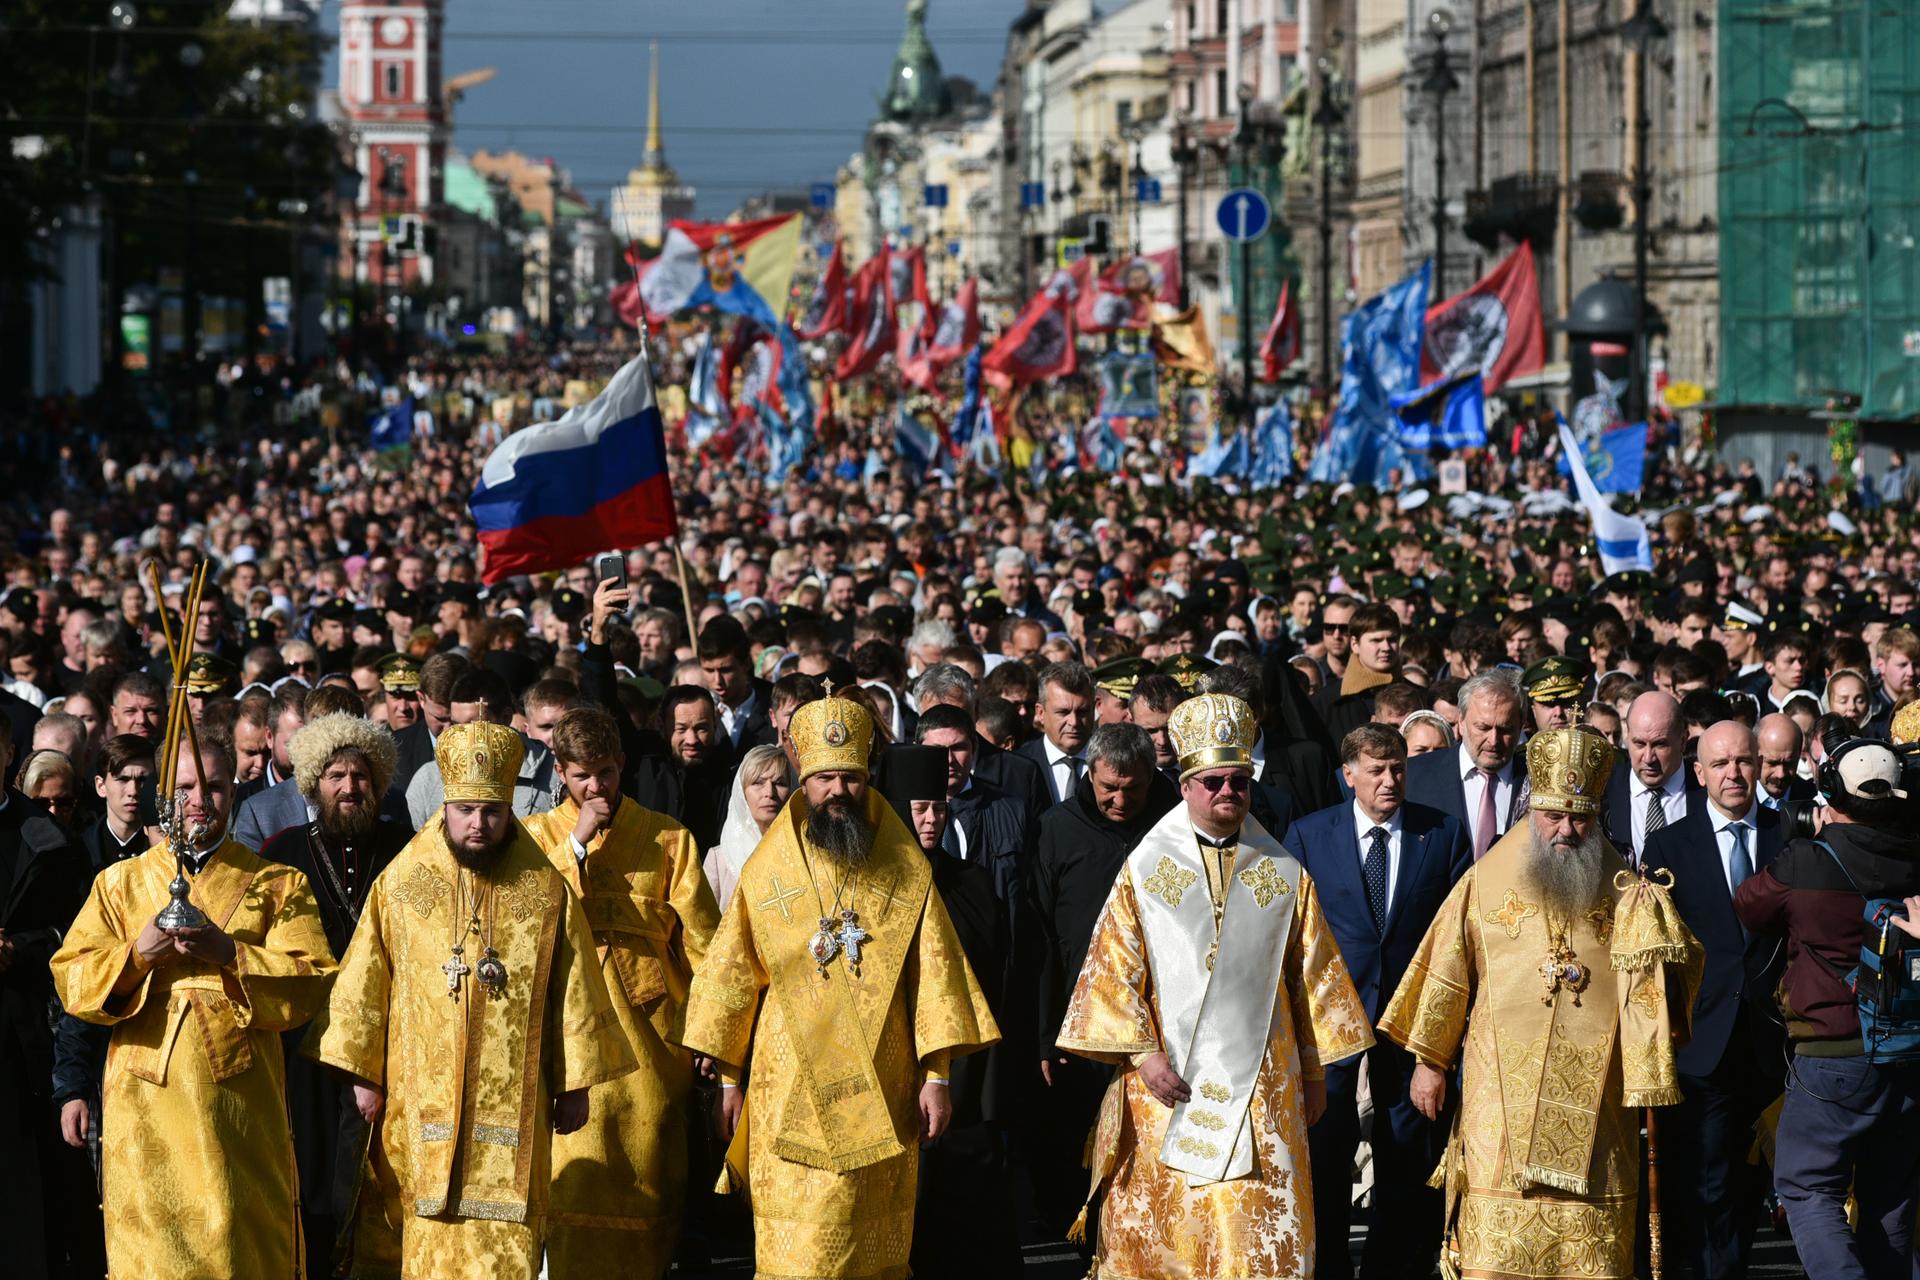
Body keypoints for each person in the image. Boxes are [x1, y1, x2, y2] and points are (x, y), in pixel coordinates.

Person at [679, 690, 998, 1280]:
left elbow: (934, 978)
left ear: (867, 775)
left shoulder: (903, 867)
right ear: (803, 774)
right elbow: (731, 976)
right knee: (794, 1255)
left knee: (868, 1244)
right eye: (823, 777)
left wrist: (936, 1077)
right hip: (786, 1082)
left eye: (849, 778)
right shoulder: (768, 868)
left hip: (886, 1080)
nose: (837, 792)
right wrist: (727, 1080)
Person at [1055, 692, 1373, 1278]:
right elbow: (1112, 969)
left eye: (1239, 781)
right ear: (1185, 785)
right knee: (1177, 1230)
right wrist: (1143, 1055)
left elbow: (1312, 982)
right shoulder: (1146, 869)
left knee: (1255, 1234)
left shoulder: (1281, 872)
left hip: (1264, 1087)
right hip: (1167, 1086)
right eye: (1213, 782)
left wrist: (1312, 1070)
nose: (1228, 792)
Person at [304, 720, 636, 1279]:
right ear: (445, 808)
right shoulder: (403, 883)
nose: (478, 825)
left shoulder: (544, 888)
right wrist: (363, 1074)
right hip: (419, 1103)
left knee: (507, 1250)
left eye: (492, 812)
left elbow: (573, 986)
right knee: (425, 1240)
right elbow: (366, 979)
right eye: (465, 811)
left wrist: (575, 1083)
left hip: (515, 1115)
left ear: (509, 810)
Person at [1378, 726, 1702, 1280]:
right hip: (1500, 1093)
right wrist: (1430, 1063)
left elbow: (1671, 989)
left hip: (1600, 1100)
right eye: (1553, 816)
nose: (1566, 831)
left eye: (1580, 818)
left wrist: (1659, 934)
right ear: (1532, 809)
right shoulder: (1484, 882)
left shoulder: (1628, 890)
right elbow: (1447, 972)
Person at [51, 736, 337, 1278]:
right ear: (163, 794)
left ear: (234, 790)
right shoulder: (119, 884)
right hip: (146, 1100)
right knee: (155, 1249)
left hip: (240, 1101)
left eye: (212, 787)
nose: (199, 801)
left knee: (238, 1235)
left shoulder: (277, 883)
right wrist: (137, 957)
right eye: (183, 788)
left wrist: (227, 952)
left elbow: (310, 980)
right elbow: (73, 976)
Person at [520, 705, 720, 1279]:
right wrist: (576, 846)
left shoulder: (668, 838)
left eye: (606, 772)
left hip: (652, 1047)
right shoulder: (534, 839)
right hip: (568, 1047)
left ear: (623, 765)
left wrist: (710, 1033)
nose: (596, 786)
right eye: (583, 774)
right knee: (571, 1182)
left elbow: (706, 947)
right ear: (559, 770)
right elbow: (524, 920)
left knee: (649, 1179)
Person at [1285, 724, 1472, 1280]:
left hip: (1407, 1017)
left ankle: (1391, 1267)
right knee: (1327, 1146)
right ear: (1349, 776)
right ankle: (1330, 1265)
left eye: (1397, 769)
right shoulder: (1308, 835)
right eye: (1376, 770)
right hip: (1329, 1018)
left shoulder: (1440, 833)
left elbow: (1455, 934)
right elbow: (1292, 933)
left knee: (1404, 1148)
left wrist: (1437, 1041)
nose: (1389, 780)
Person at [1734, 737, 1920, 1280]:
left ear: (1831, 790)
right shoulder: (1912, 854)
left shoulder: (1809, 860)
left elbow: (1749, 904)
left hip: (1831, 1054)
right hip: (1907, 1052)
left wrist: (1812, 840)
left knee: (1808, 1187)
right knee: (1891, 1199)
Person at [258, 712, 411, 1263]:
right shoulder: (280, 852)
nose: (350, 787)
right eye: (336, 776)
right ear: (313, 784)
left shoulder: (407, 849)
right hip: (305, 1043)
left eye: (361, 776)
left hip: (389, 1037)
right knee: (312, 1175)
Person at [1640, 720, 1786, 1280]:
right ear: (1697, 773)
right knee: (1706, 1180)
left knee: (1753, 1184)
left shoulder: (1788, 836)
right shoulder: (1669, 845)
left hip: (1773, 1045)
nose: (1734, 774)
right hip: (1700, 1043)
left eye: (1744, 761)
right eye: (1720, 764)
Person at [1027, 722, 1176, 1239]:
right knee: (1078, 1143)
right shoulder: (1057, 828)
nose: (1119, 799)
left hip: (1163, 1022)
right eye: (1109, 787)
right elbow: (1042, 937)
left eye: (1132, 788)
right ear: (1090, 775)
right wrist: (1048, 1033)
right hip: (1081, 1020)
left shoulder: (1175, 821)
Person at [879, 743, 1022, 1280]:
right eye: (918, 807)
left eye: (939, 806)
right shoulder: (872, 887)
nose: (932, 818)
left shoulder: (973, 882)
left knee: (971, 1215)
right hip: (895, 1067)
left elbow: (996, 971)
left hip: (969, 1071)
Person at [0, 723, 87, 1280]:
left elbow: (77, 935)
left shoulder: (45, 837)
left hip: (19, 1032)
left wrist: (19, 950)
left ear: (9, 752)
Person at [1403, 668, 1530, 859]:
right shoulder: (1414, 775)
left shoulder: (1537, 779)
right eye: (1483, 727)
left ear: (1521, 726)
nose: (1493, 740)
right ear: (1461, 722)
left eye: (1505, 729)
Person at [1606, 690, 1701, 866]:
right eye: (1639, 744)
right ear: (1627, 737)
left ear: (1683, 741)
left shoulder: (1706, 791)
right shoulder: (1604, 789)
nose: (1648, 758)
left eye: (1660, 744)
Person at [705, 742, 792, 910]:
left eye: (780, 783)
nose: (769, 793)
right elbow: (705, 928)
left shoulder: (805, 852)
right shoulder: (719, 860)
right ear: (741, 791)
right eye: (758, 782)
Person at [1017, 661, 1096, 805]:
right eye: (1063, 712)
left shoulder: (1110, 760)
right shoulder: (1017, 765)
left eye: (1082, 712)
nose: (1074, 722)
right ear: (1040, 713)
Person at [80, 733, 155, 872]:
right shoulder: (80, 850)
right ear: (101, 786)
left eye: (143, 780)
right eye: (123, 779)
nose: (133, 791)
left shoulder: (168, 849)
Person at [1756, 712, 1817, 809]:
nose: (1781, 774)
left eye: (1789, 763)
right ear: (1755, 755)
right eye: (1772, 763)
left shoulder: (1813, 800)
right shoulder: (1736, 800)